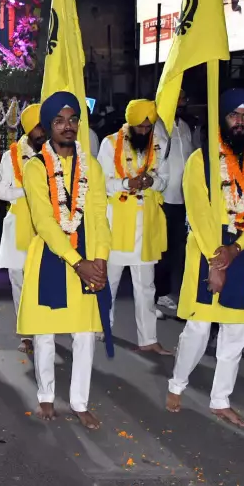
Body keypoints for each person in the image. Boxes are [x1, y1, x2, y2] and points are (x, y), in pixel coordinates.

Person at [166, 89, 244, 428]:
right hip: (206, 248)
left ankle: (220, 400)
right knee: (198, 328)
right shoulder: (201, 161)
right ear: (222, 120)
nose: (239, 122)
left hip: (242, 250)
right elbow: (199, 216)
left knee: (236, 332)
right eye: (233, 115)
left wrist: (236, 249)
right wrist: (217, 261)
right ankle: (177, 384)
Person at [16, 92, 112, 430]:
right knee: (45, 333)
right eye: (59, 121)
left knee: (84, 334)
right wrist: (77, 262)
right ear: (48, 127)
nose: (67, 126)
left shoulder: (92, 167)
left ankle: (80, 402)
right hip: (51, 257)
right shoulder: (35, 167)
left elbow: (99, 215)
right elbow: (44, 221)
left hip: (87, 254)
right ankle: (46, 394)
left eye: (72, 120)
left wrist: (99, 260)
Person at [98, 100, 171, 356]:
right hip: (118, 223)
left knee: (146, 286)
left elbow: (165, 181)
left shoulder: (158, 145)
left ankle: (148, 339)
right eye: (139, 127)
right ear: (129, 124)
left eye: (148, 127)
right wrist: (126, 183)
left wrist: (152, 181)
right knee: (109, 281)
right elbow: (102, 183)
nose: (144, 131)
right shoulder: (109, 144)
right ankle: (101, 327)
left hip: (146, 224)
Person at [0, 103, 45, 353]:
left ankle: (43, 329)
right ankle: (26, 334)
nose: (42, 132)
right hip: (18, 225)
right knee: (19, 280)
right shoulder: (11, 155)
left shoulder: (54, 153)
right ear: (28, 129)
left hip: (46, 225)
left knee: (42, 279)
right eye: (37, 127)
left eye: (45, 126)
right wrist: (26, 190)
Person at [154, 90, 195, 313]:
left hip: (183, 199)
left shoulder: (186, 127)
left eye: (184, 99)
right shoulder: (158, 127)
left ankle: (168, 292)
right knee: (161, 249)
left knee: (178, 251)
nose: (182, 103)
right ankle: (156, 294)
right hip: (164, 197)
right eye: (178, 98)